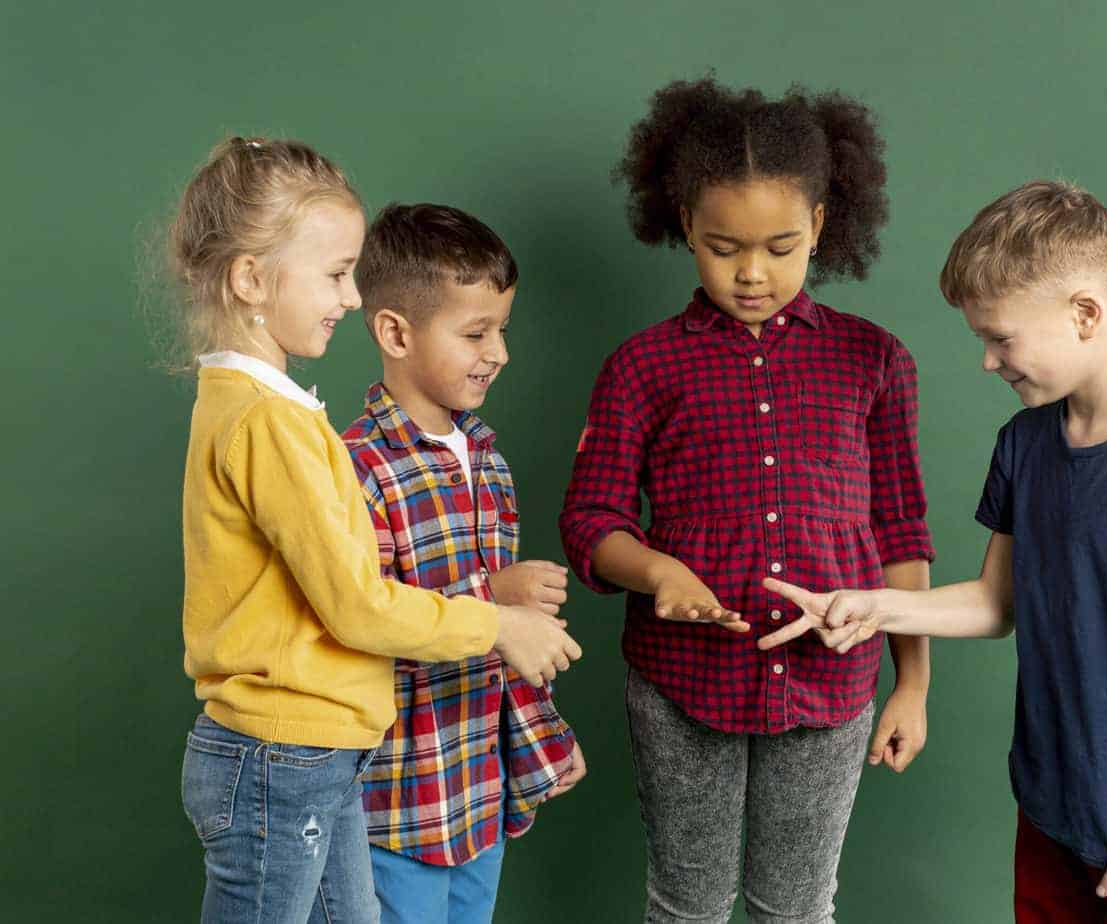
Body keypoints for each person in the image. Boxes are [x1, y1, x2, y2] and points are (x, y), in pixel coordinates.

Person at [762, 180, 1107, 922]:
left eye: (1001, 338)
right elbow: (995, 603)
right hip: (1052, 801)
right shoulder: (1023, 445)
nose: (988, 362)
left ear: (1085, 313)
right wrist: (873, 606)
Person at [169, 137, 580, 923]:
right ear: (252, 279)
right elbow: (359, 605)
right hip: (282, 754)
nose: (350, 298)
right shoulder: (267, 422)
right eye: (333, 275)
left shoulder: (267, 410)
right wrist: (495, 618)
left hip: (318, 754)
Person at [559, 78, 935, 923]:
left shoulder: (875, 361)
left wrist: (911, 684)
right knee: (687, 905)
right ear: (686, 223)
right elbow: (591, 521)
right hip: (682, 687)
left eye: (781, 245)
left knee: (795, 908)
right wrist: (657, 572)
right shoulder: (642, 366)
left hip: (833, 686)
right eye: (725, 246)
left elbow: (902, 532)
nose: (753, 273)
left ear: (823, 229)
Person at [341, 203, 586, 922]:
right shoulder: (356, 468)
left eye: (501, 328)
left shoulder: (488, 460)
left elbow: (510, 648)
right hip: (398, 802)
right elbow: (359, 624)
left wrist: (543, 738)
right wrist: (492, 597)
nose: (499, 351)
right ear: (394, 331)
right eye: (476, 332)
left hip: (478, 792)